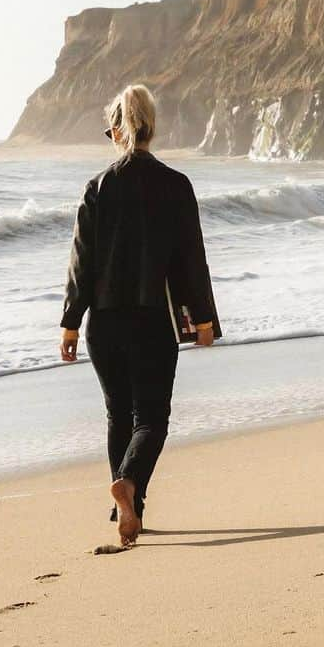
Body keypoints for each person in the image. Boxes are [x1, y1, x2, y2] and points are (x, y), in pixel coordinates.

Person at [58, 83, 218, 546]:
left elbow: (81, 262)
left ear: (116, 131)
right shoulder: (176, 185)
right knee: (151, 419)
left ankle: (129, 510)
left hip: (103, 326)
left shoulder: (97, 188)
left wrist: (70, 322)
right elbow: (192, 260)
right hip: (152, 321)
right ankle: (128, 488)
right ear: (151, 128)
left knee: (117, 416)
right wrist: (203, 318)